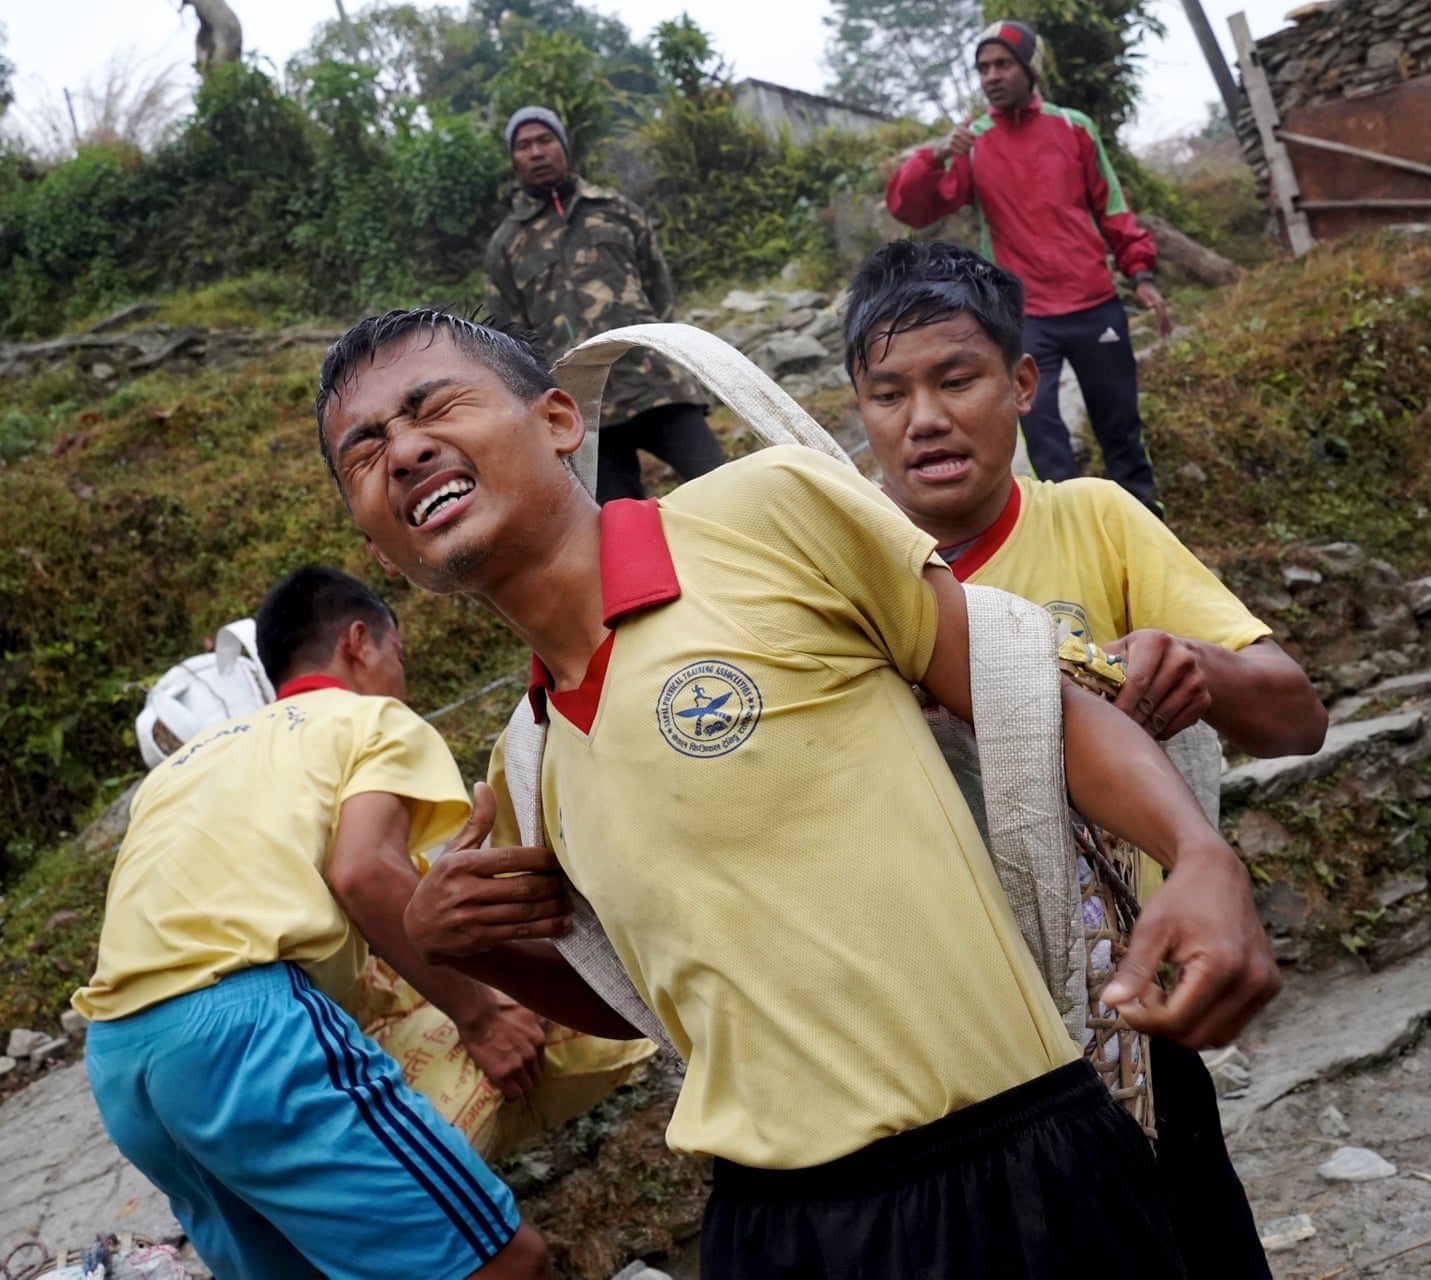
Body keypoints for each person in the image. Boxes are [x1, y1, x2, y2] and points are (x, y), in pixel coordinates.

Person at [312, 307, 1283, 1277]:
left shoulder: (766, 514)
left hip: (1014, 1163)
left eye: (432, 406)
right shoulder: (527, 761)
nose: (402, 451)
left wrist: (1197, 851)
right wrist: (474, 947)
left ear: (560, 419)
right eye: (364, 450)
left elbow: (1032, 703)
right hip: (774, 1228)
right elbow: (657, 1004)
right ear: (375, 538)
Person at [840, 237, 1331, 1276]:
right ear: (857, 407)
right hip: (943, 1042)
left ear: (1023, 383)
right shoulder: (836, 577)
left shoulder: (1095, 519)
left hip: (1121, 1011)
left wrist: (1200, 666)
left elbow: (1297, 715)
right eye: (889, 393)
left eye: (956, 378)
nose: (924, 418)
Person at [74, 565, 550, 1280]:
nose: (400, 678)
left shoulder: (184, 765)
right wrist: (481, 1020)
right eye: (399, 656)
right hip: (243, 1034)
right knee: (504, 1265)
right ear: (359, 642)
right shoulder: (371, 720)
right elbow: (365, 874)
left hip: (121, 1062)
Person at [885, 19, 1169, 513]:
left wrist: (1140, 274)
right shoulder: (974, 143)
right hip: (1025, 316)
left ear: (1028, 68)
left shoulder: (1073, 127)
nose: (991, 76)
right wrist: (932, 157)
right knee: (1042, 437)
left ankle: (1146, 522)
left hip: (1095, 304)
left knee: (1120, 426)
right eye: (983, 68)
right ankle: (1066, 534)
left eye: (1003, 64)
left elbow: (1113, 208)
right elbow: (912, 209)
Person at [483, 105, 726, 504]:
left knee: (725, 486)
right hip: (585, 409)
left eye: (545, 140)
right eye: (524, 145)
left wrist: (662, 349)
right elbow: (509, 340)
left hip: (656, 384)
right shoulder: (506, 245)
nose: (536, 151)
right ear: (514, 159)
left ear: (563, 146)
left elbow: (659, 291)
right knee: (620, 530)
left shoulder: (617, 210)